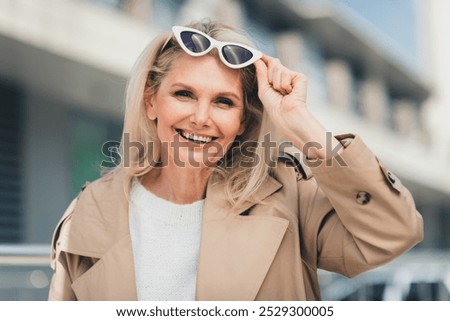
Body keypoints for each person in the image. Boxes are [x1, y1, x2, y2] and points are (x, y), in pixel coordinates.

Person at [48, 19, 423, 301]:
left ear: (243, 120)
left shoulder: (288, 198)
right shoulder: (92, 210)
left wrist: (302, 125)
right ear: (151, 101)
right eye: (183, 94)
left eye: (223, 102)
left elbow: (395, 232)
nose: (200, 117)